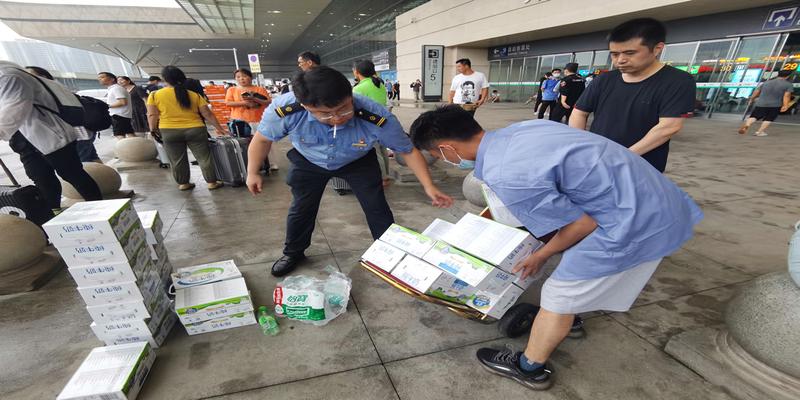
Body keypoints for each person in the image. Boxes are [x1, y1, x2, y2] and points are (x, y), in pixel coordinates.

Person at [409, 105, 702, 391]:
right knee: (574, 270)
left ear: (447, 149)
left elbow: (581, 225)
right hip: (656, 198)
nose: (443, 160)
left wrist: (541, 255)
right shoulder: (527, 127)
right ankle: (570, 318)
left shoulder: (505, 173)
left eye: (437, 155)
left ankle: (529, 367)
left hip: (630, 221)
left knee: (557, 293)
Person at [246, 66, 454, 277]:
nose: (337, 118)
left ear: (350, 95)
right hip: (309, 160)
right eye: (325, 114)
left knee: (376, 207)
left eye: (344, 108)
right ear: (305, 106)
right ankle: (293, 253)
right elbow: (262, 139)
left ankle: (389, 253)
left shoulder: (375, 115)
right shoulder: (285, 110)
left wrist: (428, 185)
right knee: (302, 208)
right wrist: (252, 172)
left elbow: (407, 150)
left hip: (358, 161)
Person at [570, 18, 696, 173]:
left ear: (657, 48)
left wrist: (622, 157)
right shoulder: (604, 80)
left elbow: (669, 127)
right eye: (614, 54)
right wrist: (582, 148)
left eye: (630, 53)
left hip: (642, 165)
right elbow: (579, 113)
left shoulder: (678, 81)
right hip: (597, 160)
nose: (620, 60)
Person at [0, 61, 102, 208]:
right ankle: (53, 213)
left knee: (72, 174)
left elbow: (14, 109)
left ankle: (100, 208)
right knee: (41, 177)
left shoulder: (9, 76)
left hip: (50, 133)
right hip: (23, 137)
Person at [146, 65, 228, 191]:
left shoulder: (155, 95)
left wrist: (153, 129)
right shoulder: (194, 95)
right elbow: (207, 114)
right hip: (195, 129)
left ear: (164, 79)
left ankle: (183, 183)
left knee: (177, 159)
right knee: (204, 157)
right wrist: (220, 128)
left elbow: (152, 114)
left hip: (169, 131)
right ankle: (212, 182)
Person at [26, 65, 101, 163]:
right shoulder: (56, 87)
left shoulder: (50, 90)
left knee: (84, 162)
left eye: (30, 75)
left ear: (43, 77)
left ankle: (101, 177)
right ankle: (108, 177)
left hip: (76, 133)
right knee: (91, 157)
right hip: (79, 132)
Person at [225, 68, 279, 171]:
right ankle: (249, 165)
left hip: (259, 120)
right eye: (238, 77)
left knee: (266, 141)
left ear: (250, 77)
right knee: (245, 144)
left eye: (244, 76)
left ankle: (272, 163)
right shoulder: (232, 90)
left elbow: (268, 102)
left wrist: (254, 99)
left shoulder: (259, 89)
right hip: (240, 122)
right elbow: (228, 103)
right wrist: (245, 103)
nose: (241, 79)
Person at [352, 59, 392, 188]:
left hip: (368, 123)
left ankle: (382, 178)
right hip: (382, 121)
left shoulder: (359, 88)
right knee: (382, 149)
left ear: (357, 72)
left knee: (375, 152)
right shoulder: (378, 84)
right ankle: (386, 176)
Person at [738, 70, 794, 137]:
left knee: (754, 116)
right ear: (787, 76)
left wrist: (752, 98)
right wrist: (785, 105)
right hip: (775, 105)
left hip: (761, 103)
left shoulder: (766, 82)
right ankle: (759, 132)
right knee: (768, 118)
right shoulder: (788, 84)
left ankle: (747, 125)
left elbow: (757, 91)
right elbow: (786, 96)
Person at [98, 72, 134, 140]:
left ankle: (127, 149)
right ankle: (135, 148)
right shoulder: (114, 88)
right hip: (121, 115)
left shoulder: (116, 88)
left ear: (112, 79)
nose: (100, 79)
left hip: (119, 115)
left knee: (120, 135)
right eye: (99, 78)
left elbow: (123, 102)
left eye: (102, 77)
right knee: (129, 133)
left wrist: (107, 106)